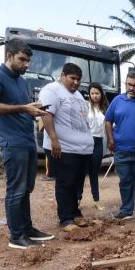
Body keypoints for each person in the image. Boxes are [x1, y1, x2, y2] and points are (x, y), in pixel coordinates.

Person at [0, 38, 55, 250]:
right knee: (16, 190)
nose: (26, 65)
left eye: (28, 61)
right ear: (9, 56)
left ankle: (27, 228)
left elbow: (23, 107)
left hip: (27, 141)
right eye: (22, 60)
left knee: (26, 189)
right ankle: (16, 236)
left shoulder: (21, 81)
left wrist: (35, 110)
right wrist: (24, 109)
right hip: (12, 143)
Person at [38, 63, 93, 231]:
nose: (76, 82)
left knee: (77, 184)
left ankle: (75, 213)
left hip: (81, 149)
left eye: (78, 79)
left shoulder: (77, 95)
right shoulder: (52, 90)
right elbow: (46, 114)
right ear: (63, 76)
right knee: (65, 183)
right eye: (72, 78)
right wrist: (54, 139)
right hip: (63, 148)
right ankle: (66, 219)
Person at [104, 71, 135, 220]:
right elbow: (107, 121)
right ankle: (126, 210)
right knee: (125, 182)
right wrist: (111, 140)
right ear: (125, 84)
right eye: (129, 85)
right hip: (121, 151)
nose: (132, 88)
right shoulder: (117, 101)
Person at [80, 82, 109, 211]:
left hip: (98, 143)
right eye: (92, 93)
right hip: (86, 141)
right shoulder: (85, 107)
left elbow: (109, 126)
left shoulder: (106, 108)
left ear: (101, 94)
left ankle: (96, 200)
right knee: (81, 172)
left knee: (94, 173)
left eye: (97, 93)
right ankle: (77, 199)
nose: (95, 95)